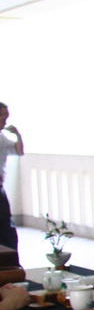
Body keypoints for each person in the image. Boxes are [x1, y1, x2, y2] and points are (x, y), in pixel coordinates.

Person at [0, 103, 25, 250]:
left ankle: (9, 261)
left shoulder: (2, 137)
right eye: (1, 115)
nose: (4, 119)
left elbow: (19, 151)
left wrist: (17, 135)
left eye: (6, 116)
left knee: (6, 226)